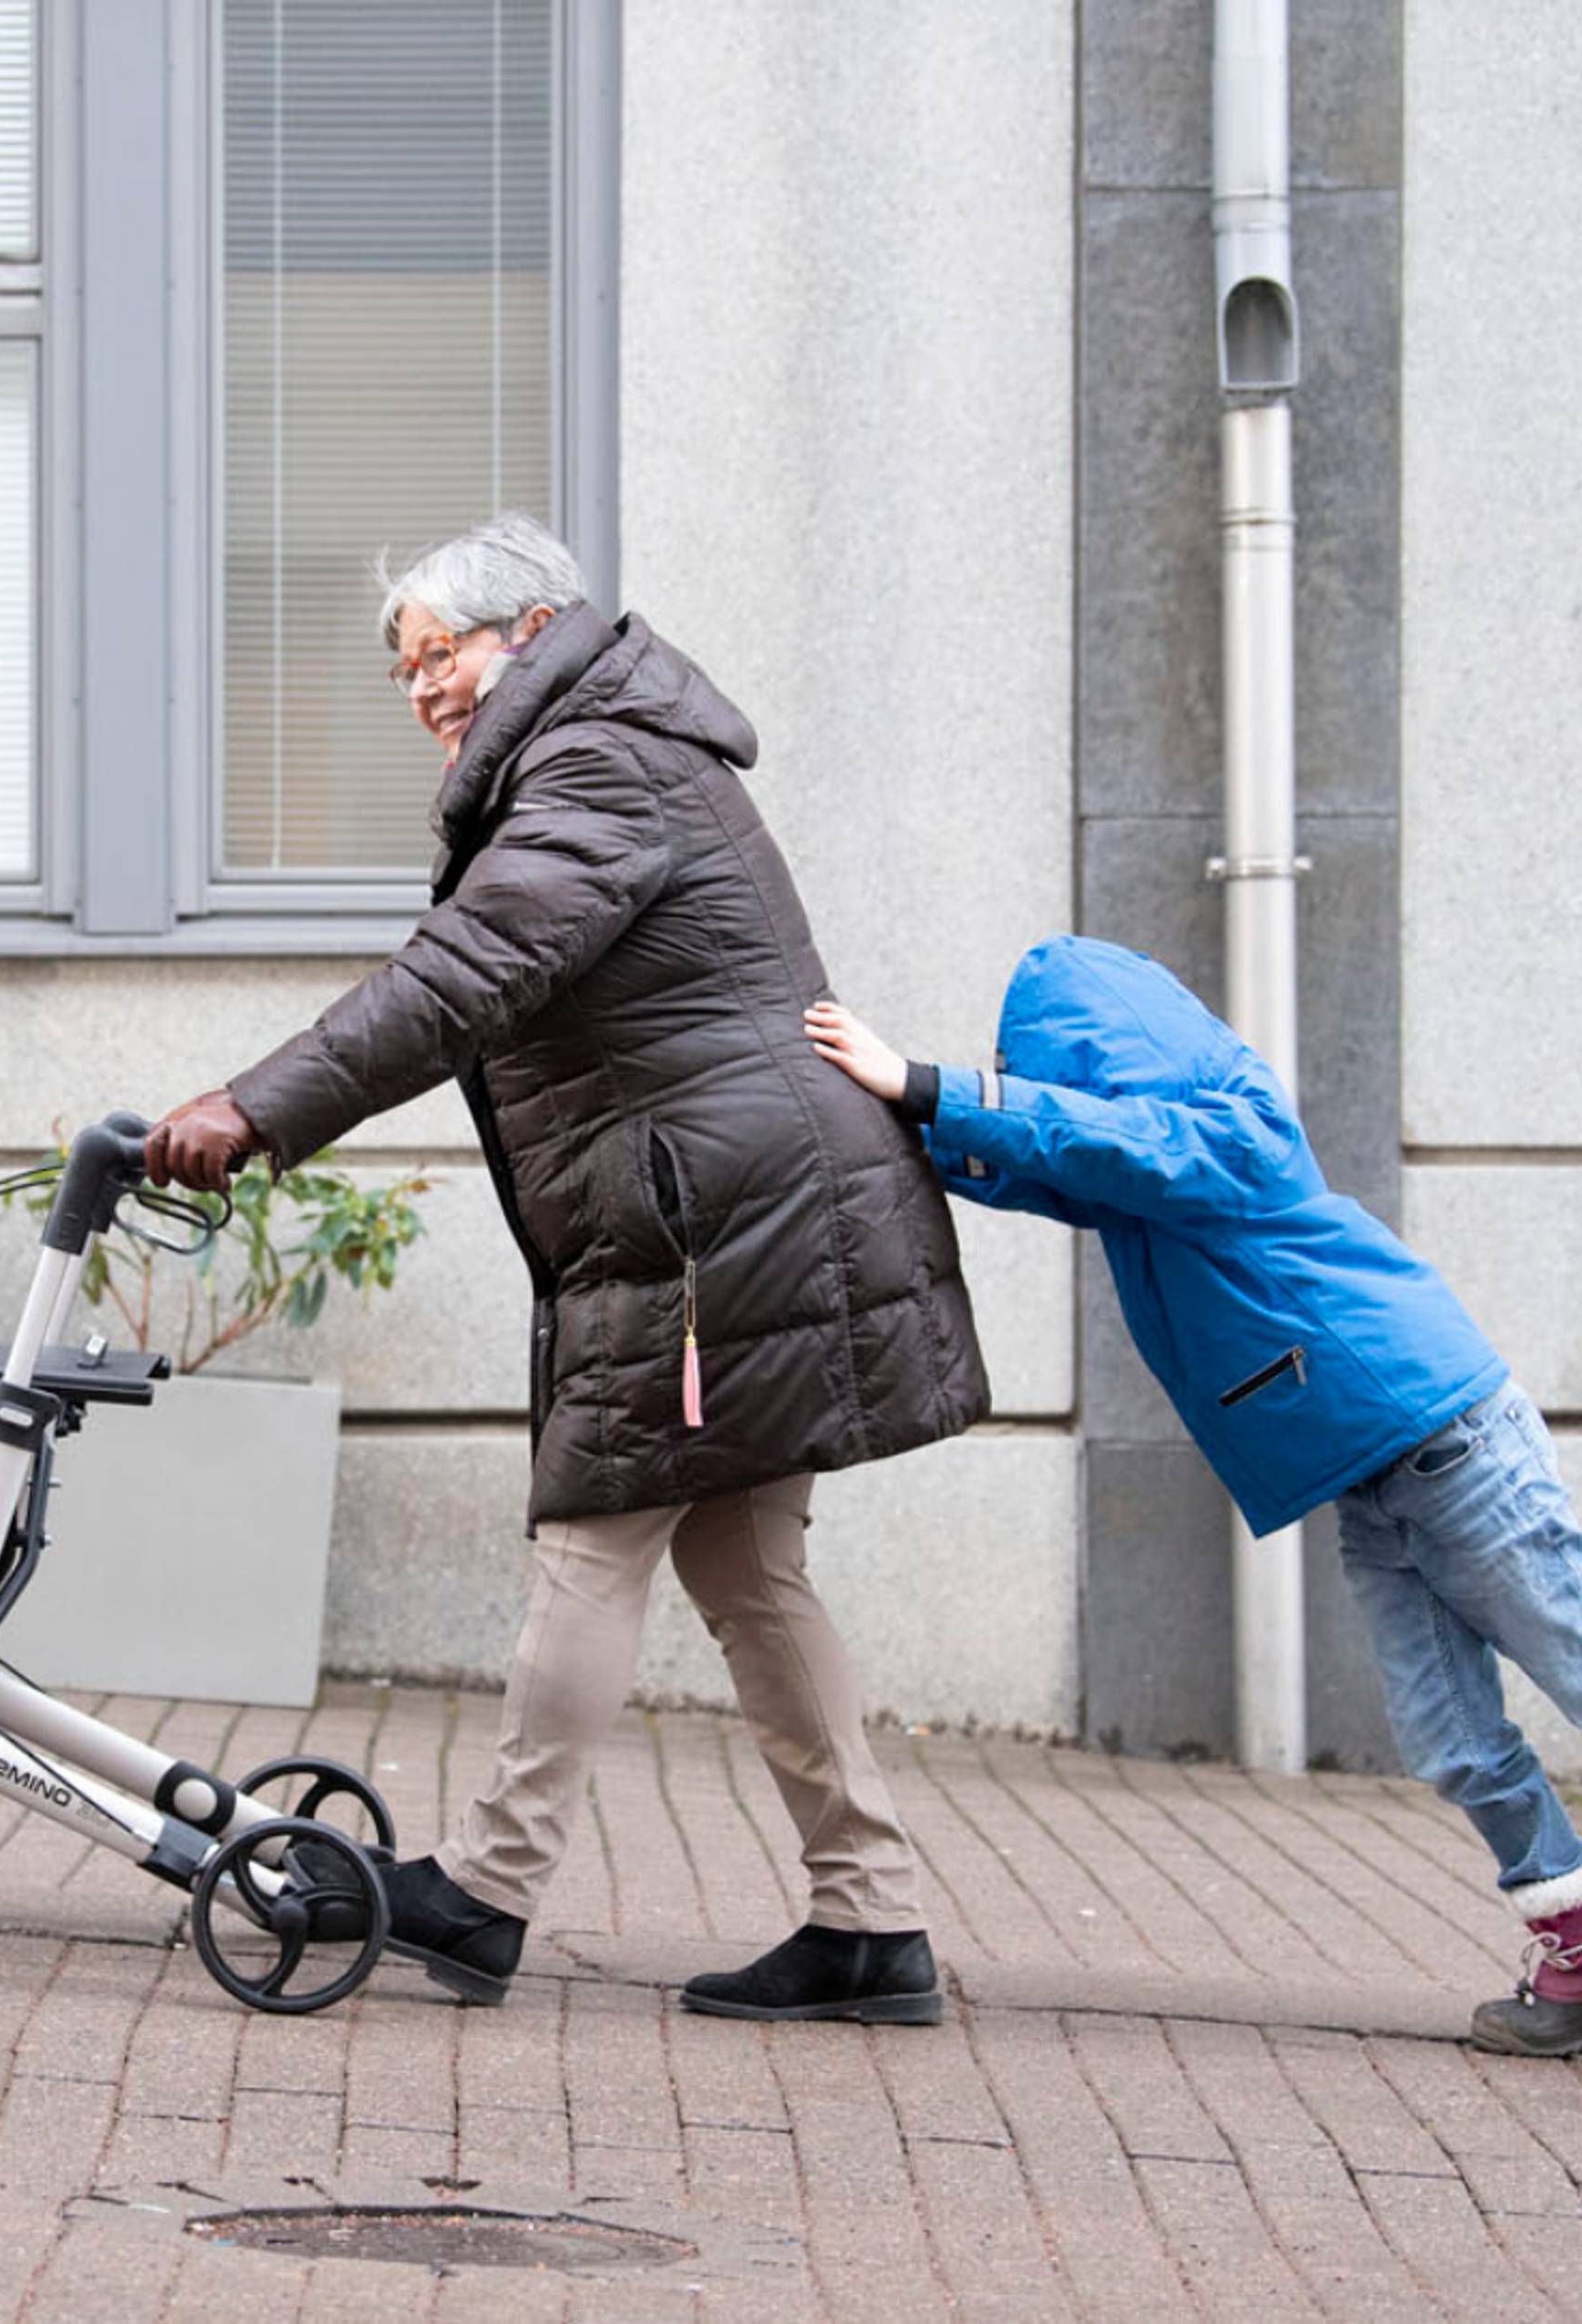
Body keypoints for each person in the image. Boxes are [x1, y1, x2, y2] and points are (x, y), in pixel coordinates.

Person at [146, 513, 988, 2023]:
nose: (421, 689)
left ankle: (481, 1889)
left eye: (439, 653)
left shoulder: (602, 762)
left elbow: (461, 977)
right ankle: (868, 1918)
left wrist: (252, 1107)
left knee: (595, 1527)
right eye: (403, 669)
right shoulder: (602, 747)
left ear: (529, 630)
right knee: (741, 1560)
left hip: (713, 1225)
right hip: (728, 1209)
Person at [807, 933, 1582, 2058]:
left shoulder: (1231, 1122)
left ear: (1100, 1048)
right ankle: (1569, 1945)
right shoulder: (1142, 1168)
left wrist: (930, 1084)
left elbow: (1118, 1141)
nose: (1037, 1086)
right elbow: (1049, 1161)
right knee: (1451, 1739)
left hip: (1449, 1441)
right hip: (1372, 1480)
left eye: (1043, 1067)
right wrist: (898, 1120)